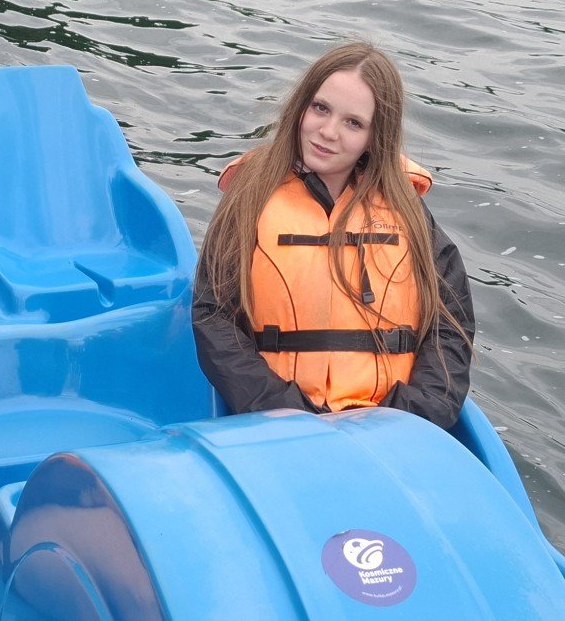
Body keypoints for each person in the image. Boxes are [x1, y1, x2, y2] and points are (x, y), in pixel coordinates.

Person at [193, 41, 475, 424]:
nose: (328, 132)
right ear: (301, 106)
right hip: (276, 418)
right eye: (320, 108)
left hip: (392, 424)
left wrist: (411, 415)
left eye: (353, 123)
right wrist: (280, 408)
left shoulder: (408, 212)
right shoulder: (250, 198)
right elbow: (212, 316)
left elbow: (451, 329)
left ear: (376, 136)